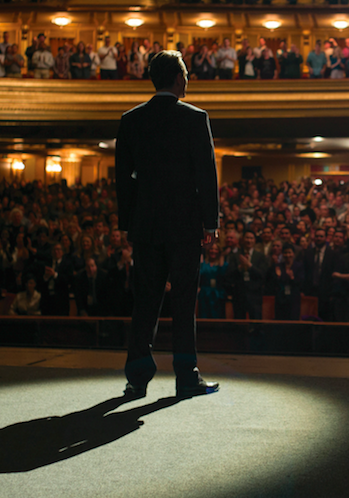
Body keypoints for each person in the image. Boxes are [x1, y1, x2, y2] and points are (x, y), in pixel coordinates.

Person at [115, 50, 220, 399]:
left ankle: (137, 376)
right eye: (186, 73)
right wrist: (210, 222)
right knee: (184, 300)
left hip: (146, 224)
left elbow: (123, 178)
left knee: (145, 299)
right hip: (185, 224)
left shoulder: (131, 120)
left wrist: (128, 222)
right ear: (177, 78)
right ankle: (186, 375)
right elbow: (206, 174)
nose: (188, 78)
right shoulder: (195, 118)